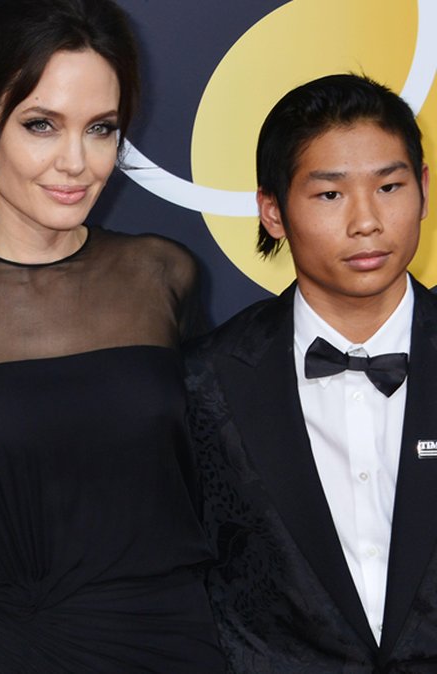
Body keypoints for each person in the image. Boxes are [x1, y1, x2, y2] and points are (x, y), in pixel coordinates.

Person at [0, 0, 224, 670]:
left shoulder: (161, 275)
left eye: (101, 129)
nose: (76, 162)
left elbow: (222, 484)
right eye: (41, 125)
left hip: (171, 646)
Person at [186, 73, 437, 671]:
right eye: (330, 195)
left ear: (424, 190)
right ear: (272, 211)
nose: (366, 221)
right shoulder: (206, 381)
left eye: (390, 187)